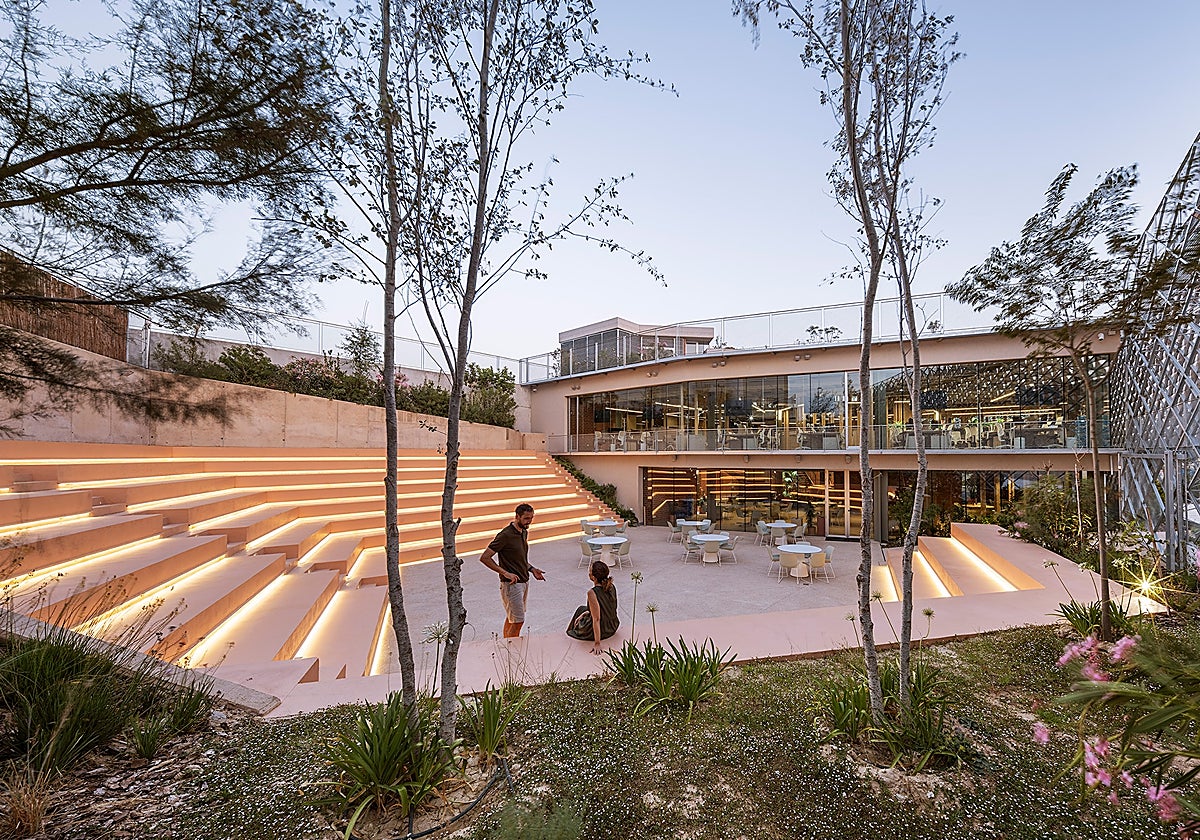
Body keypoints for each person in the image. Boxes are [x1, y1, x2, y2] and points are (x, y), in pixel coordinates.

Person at [478, 503, 544, 638]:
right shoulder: (505, 535)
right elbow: (485, 557)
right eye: (526, 518)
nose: (529, 521)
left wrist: (532, 569)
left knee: (512, 618)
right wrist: (505, 573)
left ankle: (506, 645)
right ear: (517, 516)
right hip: (511, 585)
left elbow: (519, 558)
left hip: (524, 582)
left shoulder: (524, 532)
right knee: (518, 621)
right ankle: (512, 652)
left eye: (531, 518)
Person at [566, 560, 619, 654]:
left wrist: (597, 643)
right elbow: (608, 608)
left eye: (589, 572)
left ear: (594, 577)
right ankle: (585, 613)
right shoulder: (611, 586)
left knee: (579, 611)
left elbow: (596, 619)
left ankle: (576, 628)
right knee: (582, 609)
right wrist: (587, 612)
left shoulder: (592, 593)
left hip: (603, 630)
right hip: (613, 626)